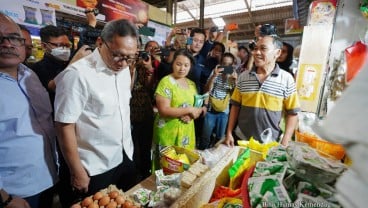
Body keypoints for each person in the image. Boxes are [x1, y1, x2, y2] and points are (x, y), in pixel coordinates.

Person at [54, 19, 139, 207]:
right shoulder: (78, 74)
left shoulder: (124, 69)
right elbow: (64, 125)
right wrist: (77, 171)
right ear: (100, 43)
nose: (123, 63)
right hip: (95, 165)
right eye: (118, 55)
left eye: (130, 57)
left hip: (125, 154)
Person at [0, 13, 58, 208]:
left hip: (47, 178)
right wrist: (5, 198)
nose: (8, 44)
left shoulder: (29, 74)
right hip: (15, 193)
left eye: (14, 38)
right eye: (0, 38)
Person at [224, 35, 300, 147]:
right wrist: (229, 132)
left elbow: (292, 113)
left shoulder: (286, 79)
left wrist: (286, 139)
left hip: (270, 143)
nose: (256, 53)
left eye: (263, 49)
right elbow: (235, 107)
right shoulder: (243, 77)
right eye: (255, 49)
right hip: (242, 139)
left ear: (277, 53)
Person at [152, 49, 205, 167]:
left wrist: (192, 115)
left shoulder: (191, 84)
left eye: (186, 65)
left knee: (183, 168)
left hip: (186, 133)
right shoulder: (166, 82)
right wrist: (189, 110)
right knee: (168, 169)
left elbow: (196, 107)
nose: (182, 68)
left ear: (190, 66)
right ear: (173, 64)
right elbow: (163, 110)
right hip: (168, 133)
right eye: (178, 64)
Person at [199, 52, 237, 150]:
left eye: (229, 65)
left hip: (224, 111)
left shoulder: (233, 75)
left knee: (220, 137)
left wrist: (235, 81)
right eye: (224, 63)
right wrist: (214, 76)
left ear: (232, 65)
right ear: (220, 64)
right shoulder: (215, 72)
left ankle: (215, 157)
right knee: (205, 137)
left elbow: (234, 96)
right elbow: (207, 89)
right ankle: (201, 156)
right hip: (211, 110)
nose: (226, 66)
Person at [31, 25, 71, 106]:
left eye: (67, 46)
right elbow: (55, 87)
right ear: (44, 46)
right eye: (60, 45)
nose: (65, 50)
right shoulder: (38, 68)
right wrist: (74, 65)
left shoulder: (66, 63)